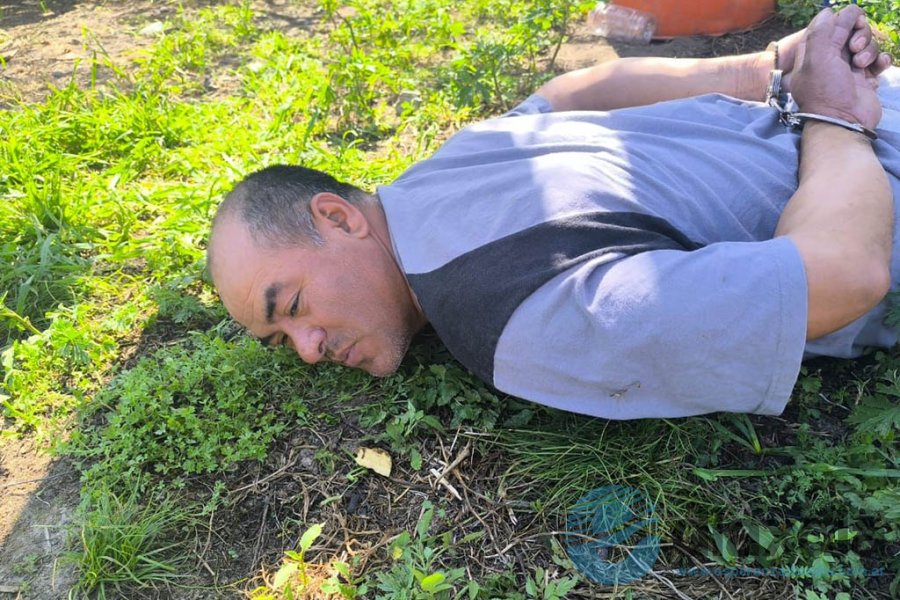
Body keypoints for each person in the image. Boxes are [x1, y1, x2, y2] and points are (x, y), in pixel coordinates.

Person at [208, 6, 900, 419]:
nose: (309, 350)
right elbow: (573, 91)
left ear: (338, 217)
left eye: (291, 306)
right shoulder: (444, 170)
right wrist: (774, 70)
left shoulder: (508, 312)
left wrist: (830, 110)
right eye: (281, 342)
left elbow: (844, 275)